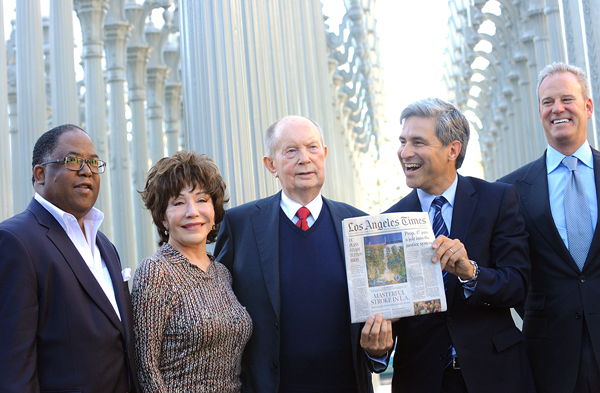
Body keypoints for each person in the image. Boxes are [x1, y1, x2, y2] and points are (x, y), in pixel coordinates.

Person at [214, 115, 392, 392]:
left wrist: (379, 351)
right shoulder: (239, 225)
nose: (304, 159)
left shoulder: (361, 225)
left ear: (324, 155)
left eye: (312, 148)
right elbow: (219, 308)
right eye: (291, 150)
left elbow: (382, 313)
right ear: (271, 165)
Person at [382, 98, 535, 392]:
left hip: (497, 375)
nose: (405, 152)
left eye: (417, 142)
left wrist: (470, 272)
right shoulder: (390, 221)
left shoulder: (498, 200)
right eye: (402, 141)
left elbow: (518, 285)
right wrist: (378, 344)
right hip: (422, 379)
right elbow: (391, 317)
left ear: (452, 149)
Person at [0, 124, 139, 393]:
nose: (87, 170)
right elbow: (13, 362)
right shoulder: (14, 241)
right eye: (73, 160)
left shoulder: (106, 246)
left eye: (93, 162)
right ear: (40, 174)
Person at [499, 62, 600, 392]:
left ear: (588, 106)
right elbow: (511, 269)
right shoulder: (510, 191)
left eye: (566, 99)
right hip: (549, 357)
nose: (557, 109)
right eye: (547, 102)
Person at [132, 151, 252, 392]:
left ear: (214, 209)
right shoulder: (156, 272)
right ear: (163, 218)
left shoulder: (222, 272)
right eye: (178, 202)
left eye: (201, 199)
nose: (192, 212)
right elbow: (145, 368)